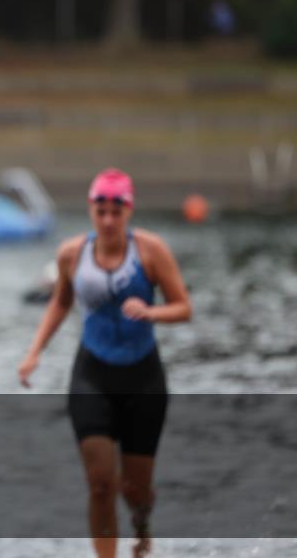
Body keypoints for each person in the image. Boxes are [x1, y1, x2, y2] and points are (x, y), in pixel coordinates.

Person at [17, 168, 191, 558]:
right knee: (100, 483)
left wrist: (150, 311)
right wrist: (34, 353)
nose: (109, 220)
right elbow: (61, 301)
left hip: (143, 379)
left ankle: (142, 524)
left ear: (129, 211)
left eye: (117, 211)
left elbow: (184, 307)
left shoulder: (150, 251)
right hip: (92, 375)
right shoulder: (72, 254)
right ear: (91, 210)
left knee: (136, 489)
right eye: (102, 211)